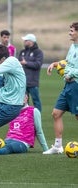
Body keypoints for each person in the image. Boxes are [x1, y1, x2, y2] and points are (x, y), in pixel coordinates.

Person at [44, 22, 78, 154]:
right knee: (56, 113)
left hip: (76, 85)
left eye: (72, 30)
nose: (69, 33)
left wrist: (71, 74)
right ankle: (58, 146)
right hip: (68, 85)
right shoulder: (72, 46)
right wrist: (55, 63)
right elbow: (68, 63)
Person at [18, 34, 43, 112]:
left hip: (33, 82)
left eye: (26, 40)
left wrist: (26, 63)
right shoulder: (22, 52)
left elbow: (38, 64)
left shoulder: (38, 52)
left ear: (31, 41)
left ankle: (37, 117)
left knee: (36, 101)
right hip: (22, 82)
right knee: (23, 102)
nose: (24, 42)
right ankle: (25, 118)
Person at [0, 30, 16, 105]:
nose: (6, 39)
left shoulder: (12, 48)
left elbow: (14, 61)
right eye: (4, 37)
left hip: (8, 75)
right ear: (1, 37)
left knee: (9, 94)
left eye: (8, 37)